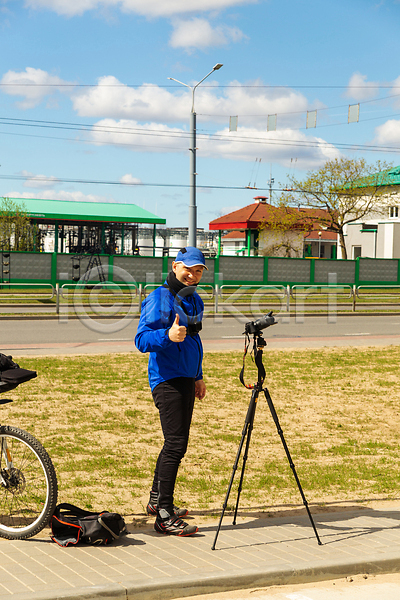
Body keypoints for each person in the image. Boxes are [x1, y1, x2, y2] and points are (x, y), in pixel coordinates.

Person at [135, 246, 207, 537]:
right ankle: (164, 514)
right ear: (175, 266)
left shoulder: (193, 299)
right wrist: (167, 335)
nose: (193, 274)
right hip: (166, 379)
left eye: (199, 270)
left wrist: (198, 376)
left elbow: (193, 341)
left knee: (173, 443)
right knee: (176, 445)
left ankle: (156, 500)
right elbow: (141, 339)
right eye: (188, 268)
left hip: (185, 378)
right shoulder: (159, 297)